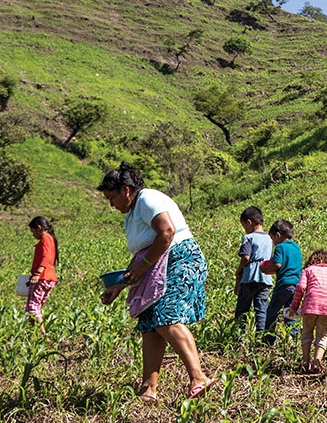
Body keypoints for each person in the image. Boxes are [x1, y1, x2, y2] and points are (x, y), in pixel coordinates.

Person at [97, 162, 213, 404]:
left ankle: (198, 377)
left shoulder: (147, 198)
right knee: (150, 324)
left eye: (112, 197)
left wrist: (144, 264)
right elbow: (142, 253)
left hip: (180, 259)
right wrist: (117, 286)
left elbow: (167, 232)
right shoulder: (132, 213)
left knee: (166, 315)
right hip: (157, 265)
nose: (111, 204)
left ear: (125, 189)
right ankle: (148, 388)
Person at [288, 249, 327, 373]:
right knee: (322, 337)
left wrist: (294, 306)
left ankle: (306, 362)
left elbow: (300, 287)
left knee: (306, 333)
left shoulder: (308, 270)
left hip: (310, 306)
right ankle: (316, 363)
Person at [260, 219, 302, 345]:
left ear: (277, 235)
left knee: (272, 311)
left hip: (284, 284)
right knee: (290, 312)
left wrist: (264, 268)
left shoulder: (280, 247)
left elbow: (277, 265)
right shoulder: (296, 248)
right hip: (296, 285)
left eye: (272, 238)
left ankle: (268, 339)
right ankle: (293, 338)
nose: (273, 242)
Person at [233, 206, 274, 334]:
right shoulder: (269, 239)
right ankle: (261, 336)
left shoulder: (249, 238)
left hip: (250, 276)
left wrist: (239, 270)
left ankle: (239, 335)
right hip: (265, 278)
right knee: (261, 309)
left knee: (242, 309)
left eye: (244, 226)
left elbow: (245, 257)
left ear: (249, 222)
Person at [25, 216, 59, 334]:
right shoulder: (50, 239)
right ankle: (33, 333)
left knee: (32, 307)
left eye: (33, 231)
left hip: (42, 276)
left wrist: (37, 274)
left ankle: (42, 335)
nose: (33, 234)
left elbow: (46, 257)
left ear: (39, 228)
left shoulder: (45, 238)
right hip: (50, 277)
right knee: (36, 307)